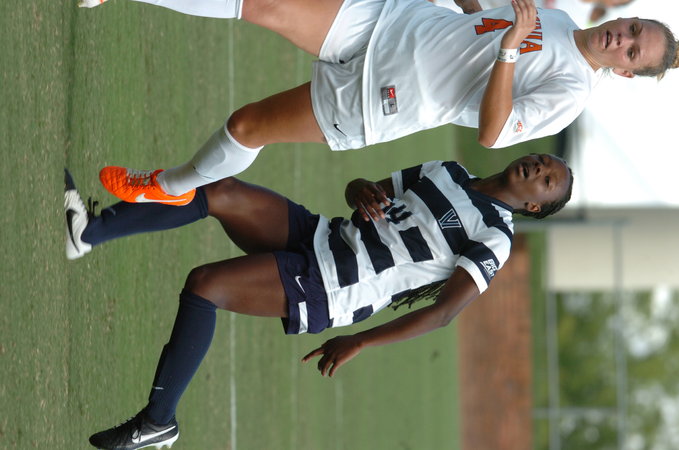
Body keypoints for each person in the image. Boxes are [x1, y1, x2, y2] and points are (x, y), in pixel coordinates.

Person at [65, 153, 573, 449]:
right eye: (543, 161)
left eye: (546, 180)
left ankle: (158, 422)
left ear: (534, 205)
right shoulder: (449, 169)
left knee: (205, 285)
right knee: (220, 189)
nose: (538, 167)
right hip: (323, 235)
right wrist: (361, 191)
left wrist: (361, 340)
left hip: (334, 282)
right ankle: (89, 232)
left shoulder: (496, 236)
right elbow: (364, 190)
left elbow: (443, 313)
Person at [77, 0, 675, 206]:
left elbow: (493, 133)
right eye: (633, 29)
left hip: (382, 98)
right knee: (265, 4)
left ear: (626, 73)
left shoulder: (571, 94)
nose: (621, 40)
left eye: (632, 51)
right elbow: (483, 21)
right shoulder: (562, 18)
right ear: (628, 17)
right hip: (389, 23)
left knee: (247, 125)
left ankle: (173, 184)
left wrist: (512, 49)